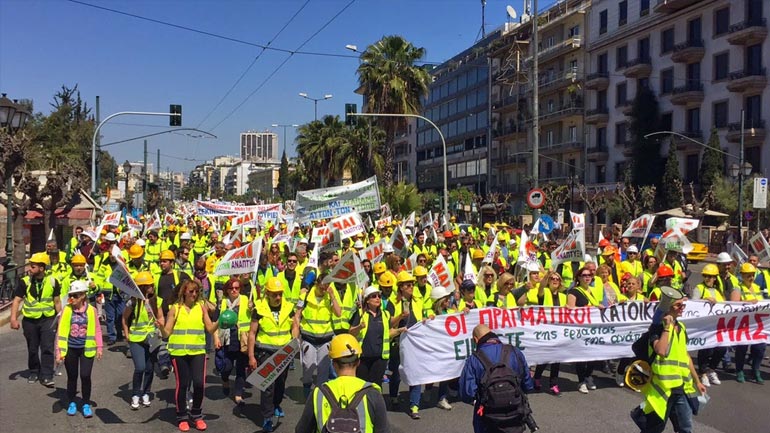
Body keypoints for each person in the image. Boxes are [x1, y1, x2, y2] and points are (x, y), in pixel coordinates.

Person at [636, 291, 706, 433]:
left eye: (683, 305)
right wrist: (667, 328)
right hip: (662, 389)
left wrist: (697, 381)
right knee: (654, 429)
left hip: (681, 387)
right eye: (678, 305)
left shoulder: (682, 327)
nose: (682, 308)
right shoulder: (658, 327)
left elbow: (685, 356)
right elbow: (661, 351)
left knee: (685, 428)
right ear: (668, 307)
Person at [294, 333, 390, 433]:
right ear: (358, 362)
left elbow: (301, 430)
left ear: (334, 364)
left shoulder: (318, 393)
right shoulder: (373, 393)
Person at [160, 279, 219, 432]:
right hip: (178, 353)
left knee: (199, 384)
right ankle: (182, 417)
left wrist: (220, 321)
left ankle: (196, 414)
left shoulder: (201, 307)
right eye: (191, 291)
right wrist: (161, 328)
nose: (194, 294)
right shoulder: (175, 309)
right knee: (183, 384)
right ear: (184, 292)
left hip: (197, 351)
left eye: (196, 291)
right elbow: (166, 333)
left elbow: (210, 329)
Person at [459, 324, 534, 433]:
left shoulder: (474, 359)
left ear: (475, 340)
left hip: (487, 418)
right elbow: (528, 385)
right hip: (515, 414)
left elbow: (467, 393)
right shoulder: (514, 351)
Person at [247, 277, 300, 433]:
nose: (278, 297)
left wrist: (294, 341)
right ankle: (268, 417)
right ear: (268, 294)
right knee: (268, 386)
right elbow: (252, 333)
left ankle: (276, 404)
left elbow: (294, 326)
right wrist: (251, 356)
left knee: (281, 383)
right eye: (274, 294)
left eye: (280, 294)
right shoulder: (259, 309)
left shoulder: (288, 307)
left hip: (284, 351)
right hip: (265, 350)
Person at [10, 252, 62, 387]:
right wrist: (13, 319)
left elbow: (57, 302)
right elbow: (16, 300)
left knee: (47, 347)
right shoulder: (25, 282)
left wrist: (61, 320)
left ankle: (47, 375)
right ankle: (34, 371)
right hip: (30, 320)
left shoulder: (53, 281)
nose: (30, 269)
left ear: (42, 268)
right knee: (32, 348)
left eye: (33, 266)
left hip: (48, 319)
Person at [56, 280, 103, 417]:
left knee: (85, 376)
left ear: (83, 296)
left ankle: (86, 403)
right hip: (70, 348)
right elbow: (60, 331)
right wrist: (58, 352)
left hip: (86, 348)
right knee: (72, 376)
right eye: (71, 296)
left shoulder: (92, 310)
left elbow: (97, 329)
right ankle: (72, 402)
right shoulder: (66, 310)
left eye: (75, 296)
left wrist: (99, 347)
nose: (72, 298)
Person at [122, 271, 164, 410]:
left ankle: (146, 392)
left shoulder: (157, 300)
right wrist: (126, 334)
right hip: (136, 339)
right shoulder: (133, 301)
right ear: (143, 287)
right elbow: (124, 318)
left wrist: (160, 324)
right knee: (140, 367)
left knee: (149, 368)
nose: (152, 287)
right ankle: (136, 393)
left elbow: (161, 317)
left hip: (152, 338)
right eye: (149, 285)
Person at [297, 273, 342, 398]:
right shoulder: (305, 295)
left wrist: (332, 296)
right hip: (308, 338)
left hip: (325, 339)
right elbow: (297, 315)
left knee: (323, 369)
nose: (323, 290)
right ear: (317, 284)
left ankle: (320, 395)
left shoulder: (330, 296)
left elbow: (338, 313)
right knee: (308, 365)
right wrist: (295, 334)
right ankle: (307, 385)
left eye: (326, 287)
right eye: (321, 287)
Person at [350, 286, 404, 389]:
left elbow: (389, 329)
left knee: (376, 386)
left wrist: (399, 328)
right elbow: (351, 332)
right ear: (367, 300)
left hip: (379, 358)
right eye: (373, 296)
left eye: (379, 296)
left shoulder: (385, 314)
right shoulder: (361, 314)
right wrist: (359, 327)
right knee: (362, 386)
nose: (377, 298)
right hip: (363, 358)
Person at [691, 264, 726, 387]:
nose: (708, 279)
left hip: (717, 325)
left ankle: (711, 369)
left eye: (711, 277)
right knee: (706, 349)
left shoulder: (717, 291)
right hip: (704, 326)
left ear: (715, 278)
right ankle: (702, 372)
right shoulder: (699, 288)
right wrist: (705, 300)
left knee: (722, 348)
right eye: (706, 276)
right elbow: (693, 304)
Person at [734, 263, 766, 384]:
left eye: (752, 275)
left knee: (760, 348)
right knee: (742, 348)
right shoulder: (738, 288)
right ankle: (739, 370)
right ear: (742, 275)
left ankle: (755, 370)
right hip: (743, 324)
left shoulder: (757, 287)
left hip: (757, 324)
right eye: (748, 275)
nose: (751, 278)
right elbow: (733, 306)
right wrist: (748, 303)